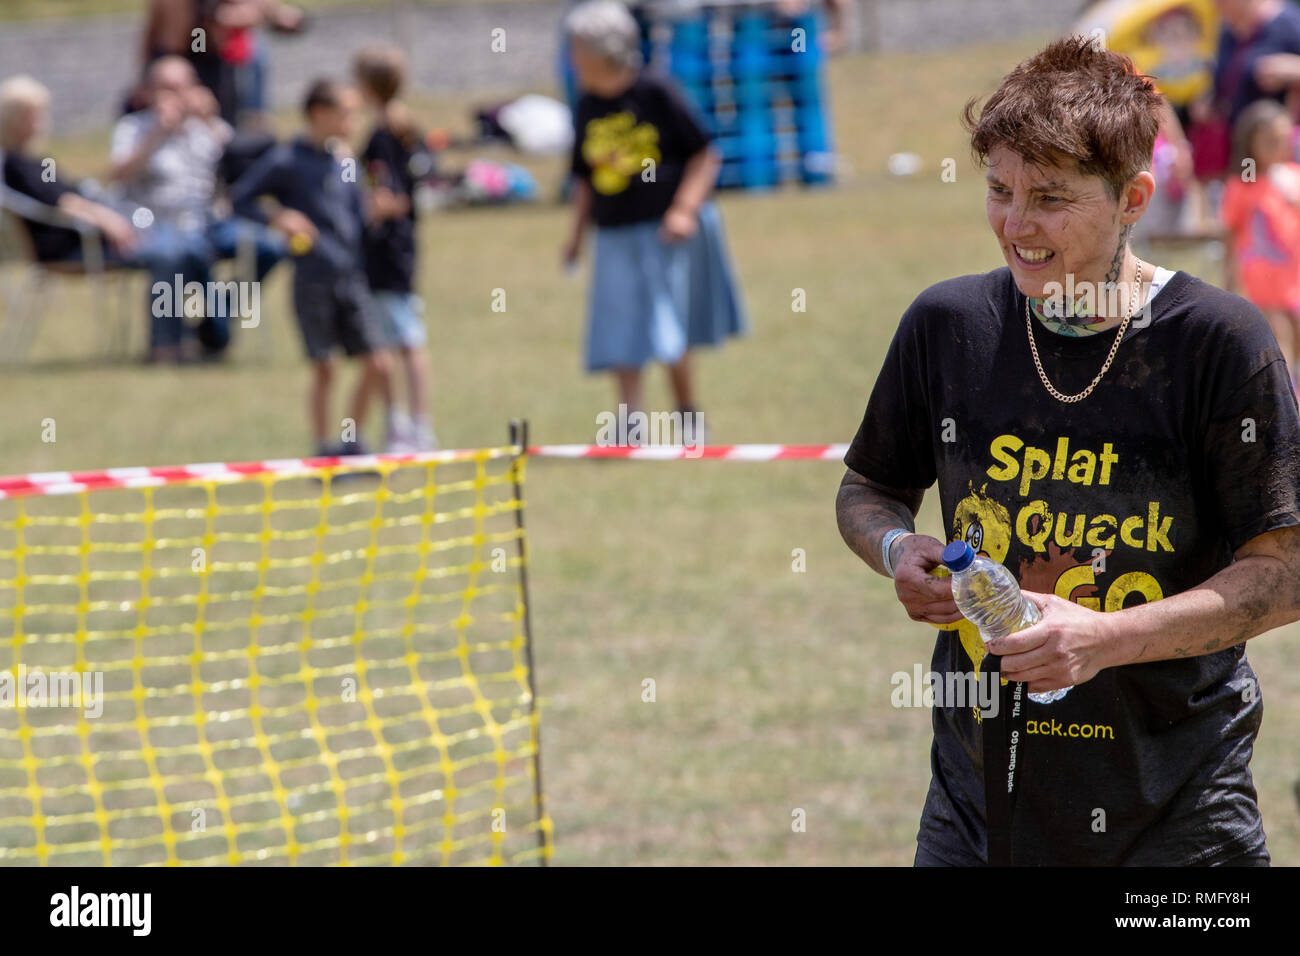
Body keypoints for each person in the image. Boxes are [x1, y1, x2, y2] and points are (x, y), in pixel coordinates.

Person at [836, 36, 1300, 867]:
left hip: (1176, 811)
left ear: (1133, 198)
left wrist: (1106, 638)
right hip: (979, 806)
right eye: (999, 191)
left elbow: (1289, 570)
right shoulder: (948, 327)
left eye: (1050, 198)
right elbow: (867, 487)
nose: (1016, 226)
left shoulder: (1218, 342)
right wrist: (896, 546)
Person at [562, 0, 746, 440]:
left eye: (576, 48)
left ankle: (687, 417)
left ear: (601, 50)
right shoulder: (587, 103)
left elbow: (705, 153)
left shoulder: (656, 92)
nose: (570, 57)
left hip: (663, 232)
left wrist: (684, 209)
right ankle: (629, 426)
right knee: (619, 329)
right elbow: (584, 178)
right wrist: (575, 237)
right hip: (613, 233)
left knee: (669, 328)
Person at [229, 78, 391, 456]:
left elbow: (353, 209)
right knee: (325, 367)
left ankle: (352, 442)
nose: (353, 121)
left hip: (351, 276)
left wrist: (374, 209)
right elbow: (240, 199)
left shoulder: (344, 159)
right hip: (312, 277)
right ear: (319, 114)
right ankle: (322, 449)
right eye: (345, 113)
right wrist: (279, 217)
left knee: (377, 362)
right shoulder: (287, 159)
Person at [109, 55, 285, 362]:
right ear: (149, 92)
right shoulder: (135, 127)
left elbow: (240, 173)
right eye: (166, 88)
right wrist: (157, 134)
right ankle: (167, 346)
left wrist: (210, 121)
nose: (176, 96)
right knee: (177, 251)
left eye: (183, 88)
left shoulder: (209, 127)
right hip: (156, 222)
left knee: (269, 246)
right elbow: (118, 176)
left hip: (212, 220)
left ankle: (215, 320)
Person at [353, 45, 438, 452]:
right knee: (395, 340)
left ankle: (407, 428)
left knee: (397, 340)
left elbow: (393, 198)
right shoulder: (407, 128)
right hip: (401, 249)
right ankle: (408, 425)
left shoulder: (383, 136)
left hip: (386, 252)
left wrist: (356, 209)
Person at [1, 76, 138, 265]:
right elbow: (63, 202)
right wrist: (109, 221)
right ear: (16, 119)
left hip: (81, 237)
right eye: (34, 114)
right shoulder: (17, 165)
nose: (42, 119)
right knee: (159, 254)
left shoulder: (32, 160)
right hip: (72, 245)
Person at [1221, 98, 1300, 394]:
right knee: (1279, 339)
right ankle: (1285, 399)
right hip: (1261, 278)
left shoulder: (1293, 175)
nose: (1277, 147)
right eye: (1269, 141)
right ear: (1250, 143)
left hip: (1292, 276)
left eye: (1282, 139)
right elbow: (1231, 234)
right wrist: (1229, 280)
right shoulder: (1244, 183)